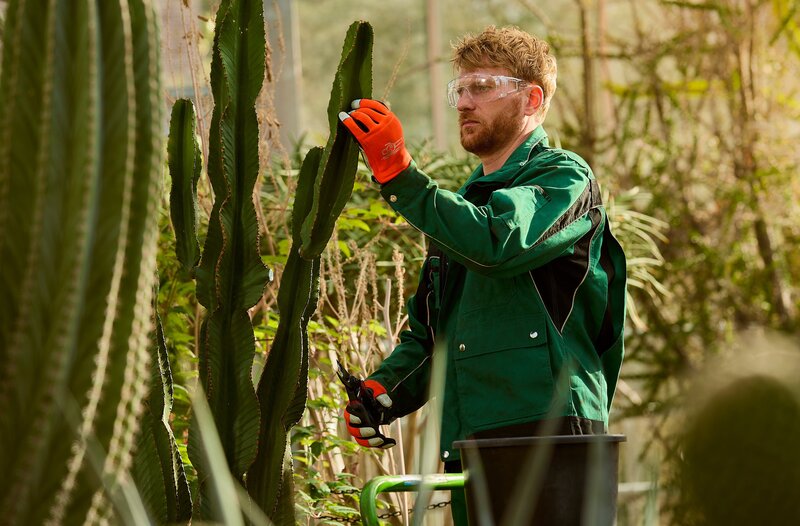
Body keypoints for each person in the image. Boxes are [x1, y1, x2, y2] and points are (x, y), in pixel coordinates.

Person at [338, 25, 627, 524]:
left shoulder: (565, 178)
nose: (464, 102)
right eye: (460, 89)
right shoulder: (463, 209)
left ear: (531, 99)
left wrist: (398, 172)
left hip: (552, 432)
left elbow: (498, 243)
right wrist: (382, 392)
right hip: (472, 438)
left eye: (483, 87)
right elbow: (435, 335)